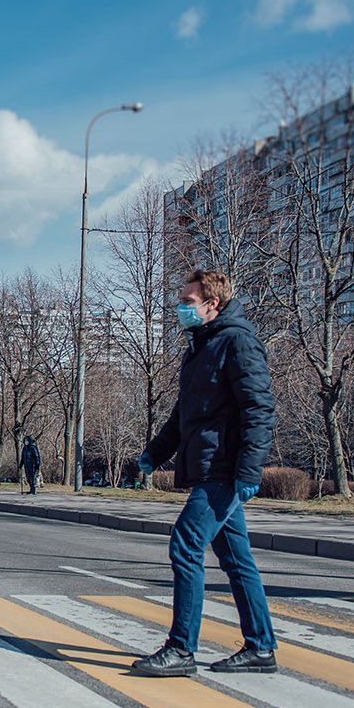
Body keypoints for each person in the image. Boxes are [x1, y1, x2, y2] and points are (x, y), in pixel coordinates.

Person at [131, 268, 279, 677]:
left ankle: (181, 649)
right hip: (210, 465)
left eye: (188, 302)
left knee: (185, 545)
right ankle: (261, 647)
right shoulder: (201, 346)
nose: (181, 307)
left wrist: (249, 470)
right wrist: (155, 453)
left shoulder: (237, 341)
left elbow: (259, 409)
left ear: (212, 304)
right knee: (236, 559)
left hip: (224, 468)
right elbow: (185, 414)